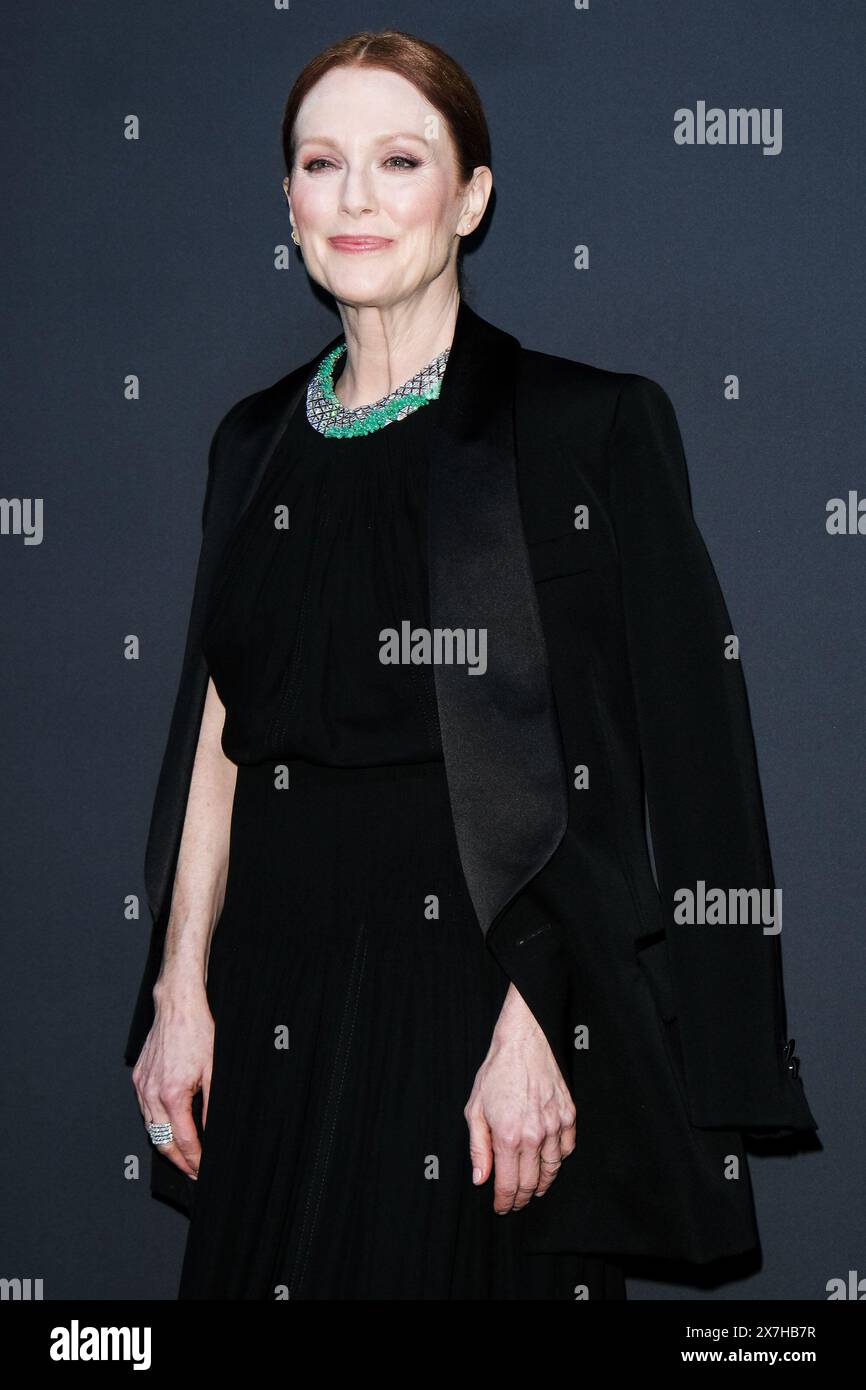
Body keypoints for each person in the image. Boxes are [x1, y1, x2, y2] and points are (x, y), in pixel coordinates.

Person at [126, 29, 817, 1301]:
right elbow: (222, 728)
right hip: (270, 989)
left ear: (472, 195)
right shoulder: (251, 446)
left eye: (399, 159)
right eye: (320, 164)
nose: (355, 198)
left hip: (480, 994)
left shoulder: (583, 426)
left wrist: (547, 1015)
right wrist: (179, 990)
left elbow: (668, 758)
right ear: (287, 202)